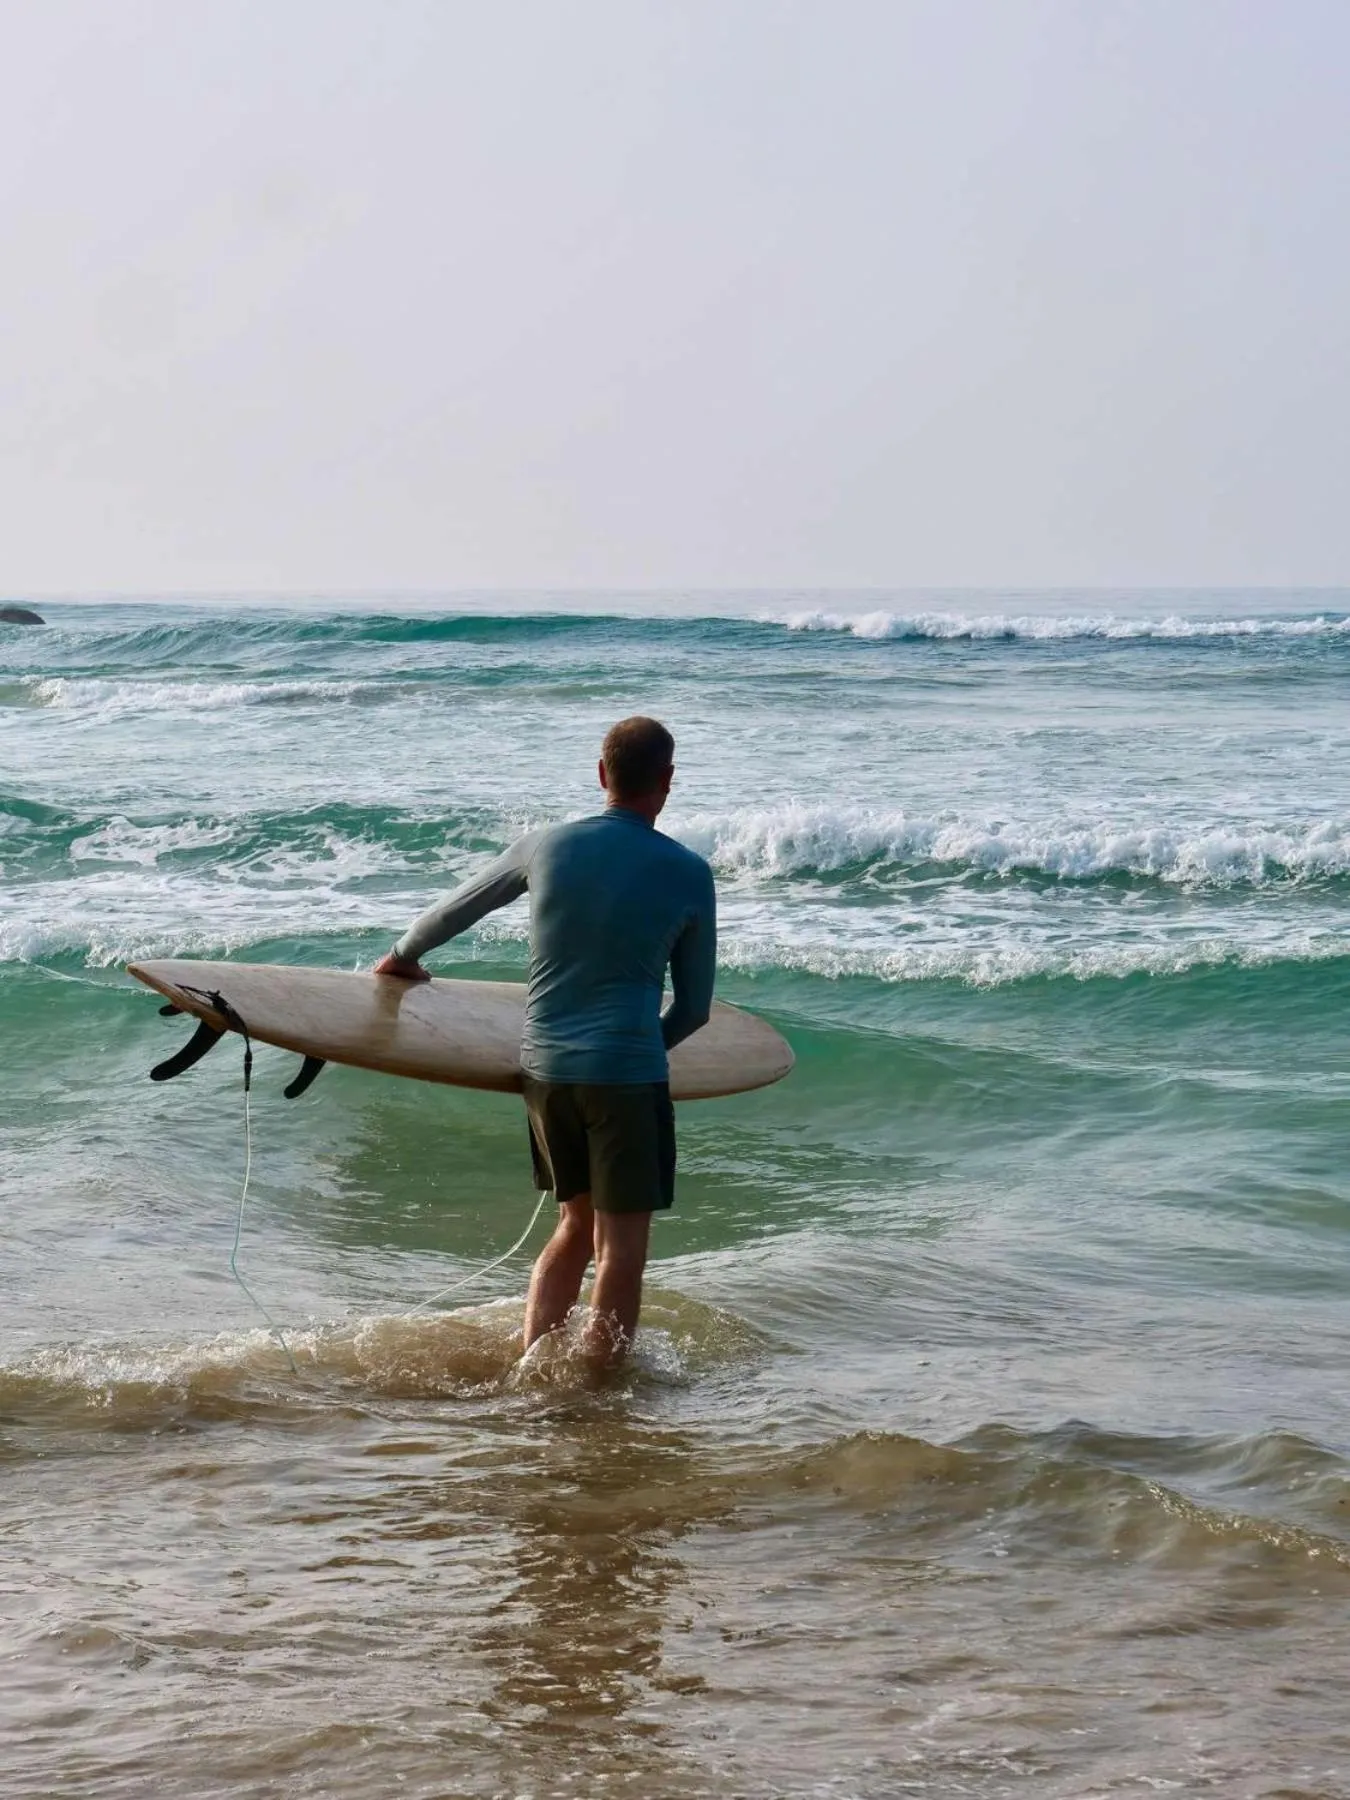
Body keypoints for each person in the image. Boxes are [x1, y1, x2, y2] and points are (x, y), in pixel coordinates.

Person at [374, 716, 716, 1371]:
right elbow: (694, 1009)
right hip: (626, 1075)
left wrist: (400, 957)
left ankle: (532, 1365)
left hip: (546, 1071)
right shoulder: (688, 872)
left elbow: (456, 909)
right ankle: (596, 1388)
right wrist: (639, 1053)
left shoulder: (545, 846)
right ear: (668, 780)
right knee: (621, 1249)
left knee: (574, 1227)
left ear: (601, 773)